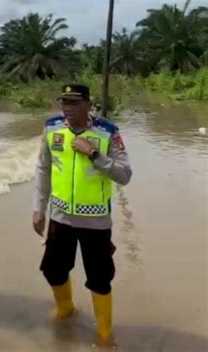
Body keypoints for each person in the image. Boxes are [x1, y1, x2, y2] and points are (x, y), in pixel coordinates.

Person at [32, 84, 132, 347]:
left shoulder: (108, 132)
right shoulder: (52, 127)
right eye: (64, 102)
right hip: (60, 216)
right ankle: (65, 309)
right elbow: (43, 169)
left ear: (88, 104)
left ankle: (104, 332)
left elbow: (125, 175)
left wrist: (94, 153)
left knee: (100, 279)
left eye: (74, 103)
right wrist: (38, 208)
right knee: (53, 270)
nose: (67, 108)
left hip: (96, 222)